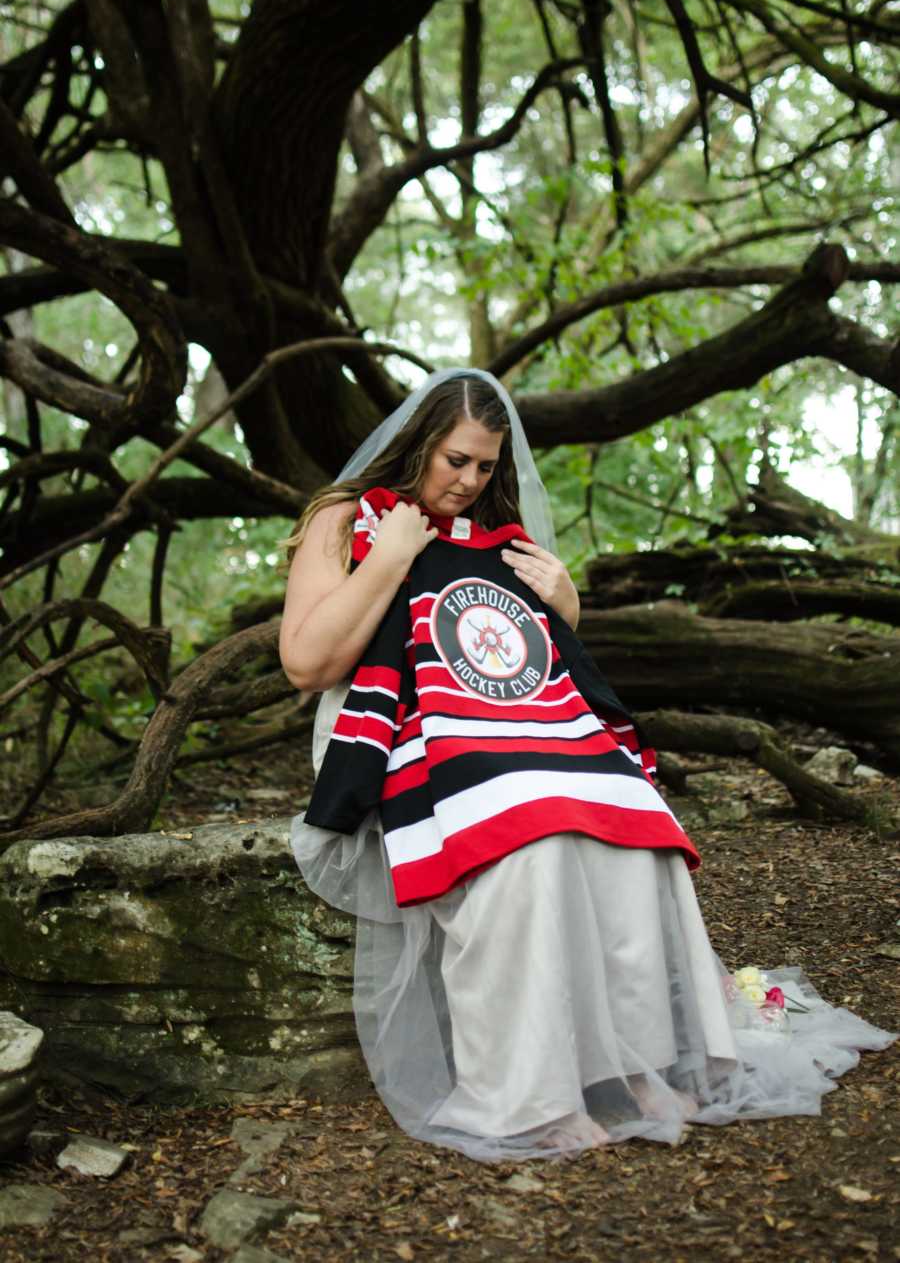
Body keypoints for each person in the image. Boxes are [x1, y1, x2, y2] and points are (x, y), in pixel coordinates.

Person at [278, 367, 896, 1162]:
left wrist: (564, 604)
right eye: (454, 460)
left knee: (637, 832)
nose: (468, 481)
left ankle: (635, 1069)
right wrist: (389, 559)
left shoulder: (494, 538)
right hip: (396, 727)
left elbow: (531, 659)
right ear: (420, 443)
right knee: (529, 846)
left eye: (485, 467)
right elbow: (306, 663)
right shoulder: (346, 518)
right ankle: (527, 1094)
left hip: (515, 731)